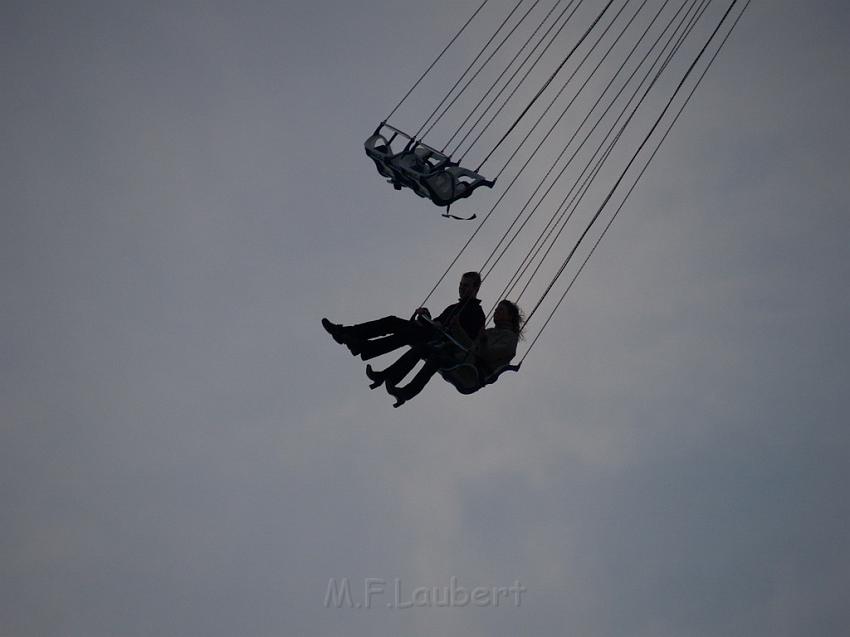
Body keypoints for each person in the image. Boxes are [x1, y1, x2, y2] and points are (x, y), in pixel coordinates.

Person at [321, 271, 485, 383]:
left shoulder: (476, 312)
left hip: (444, 344)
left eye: (466, 286)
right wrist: (427, 316)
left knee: (407, 334)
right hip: (433, 334)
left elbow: (468, 340)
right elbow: (438, 322)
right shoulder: (453, 307)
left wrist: (446, 328)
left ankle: (362, 346)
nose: (462, 288)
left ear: (476, 288)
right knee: (392, 322)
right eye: (461, 285)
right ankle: (345, 333)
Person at [381, 299, 523, 407]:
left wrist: (483, 340)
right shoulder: (490, 332)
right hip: (465, 361)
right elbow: (470, 346)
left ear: (510, 317)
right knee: (423, 348)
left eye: (501, 310)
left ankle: (406, 393)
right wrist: (457, 328)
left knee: (436, 358)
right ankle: (391, 377)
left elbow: (488, 354)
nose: (496, 312)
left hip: (472, 372)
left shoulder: (510, 338)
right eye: (496, 309)